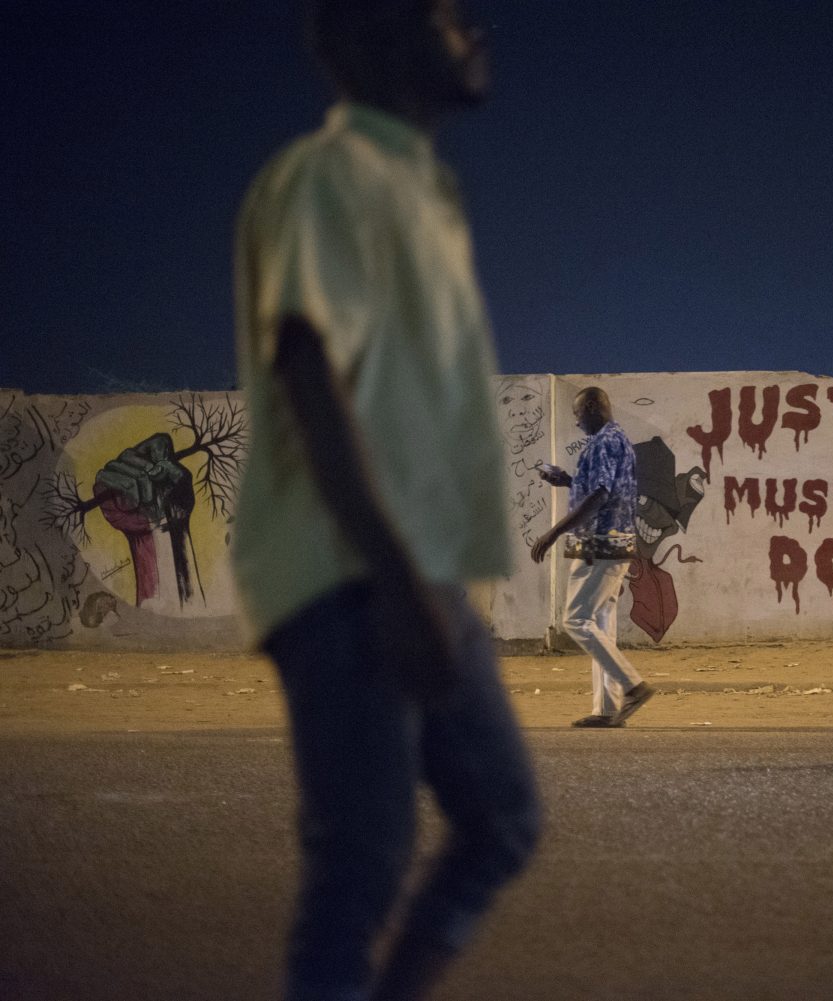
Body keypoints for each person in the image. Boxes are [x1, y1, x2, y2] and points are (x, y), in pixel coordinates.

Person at [230, 1, 539, 997]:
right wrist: (401, 584)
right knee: (359, 867)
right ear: (375, 42)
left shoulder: (422, 189)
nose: (473, 32)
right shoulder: (332, 177)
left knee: (501, 818)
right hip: (356, 573)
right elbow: (310, 375)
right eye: (448, 18)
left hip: (413, 571)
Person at [531, 388, 656, 727]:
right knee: (601, 624)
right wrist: (568, 481)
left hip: (599, 545)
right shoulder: (619, 440)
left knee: (575, 620)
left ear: (590, 406)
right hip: (615, 544)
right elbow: (604, 489)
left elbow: (600, 496)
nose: (577, 422)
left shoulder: (602, 442)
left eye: (578, 415)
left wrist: (553, 533)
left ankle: (633, 686)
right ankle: (608, 709)